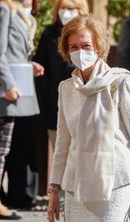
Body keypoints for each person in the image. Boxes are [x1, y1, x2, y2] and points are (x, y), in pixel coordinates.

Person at [47, 14, 130, 222]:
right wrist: (54, 190)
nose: (80, 51)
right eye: (73, 46)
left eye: (86, 45)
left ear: (98, 46)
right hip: (77, 187)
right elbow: (63, 144)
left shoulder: (121, 81)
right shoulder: (66, 88)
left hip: (115, 185)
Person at [0, 0, 43, 219]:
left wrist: (30, 65)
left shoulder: (22, 14)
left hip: (14, 88)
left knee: (0, 148)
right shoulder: (3, 9)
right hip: (5, 91)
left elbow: (14, 52)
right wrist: (8, 84)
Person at [34, 0, 89, 151]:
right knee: (60, 153)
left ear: (80, 10)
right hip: (54, 104)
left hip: (83, 101)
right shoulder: (49, 33)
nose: (66, 12)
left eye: (71, 8)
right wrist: (49, 91)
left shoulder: (89, 33)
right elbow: (40, 64)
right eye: (63, 8)